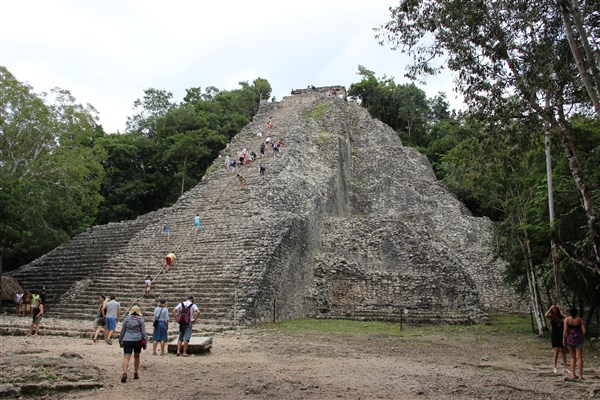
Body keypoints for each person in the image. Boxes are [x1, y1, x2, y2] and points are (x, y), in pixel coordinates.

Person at [118, 305, 148, 383]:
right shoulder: (141, 320)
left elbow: (122, 332)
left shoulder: (126, 320)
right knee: (137, 356)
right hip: (137, 340)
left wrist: (120, 341)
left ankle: (125, 373)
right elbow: (143, 332)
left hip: (127, 339)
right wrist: (145, 342)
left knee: (126, 357)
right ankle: (136, 373)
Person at [563, 307, 587, 380]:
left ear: (569, 312)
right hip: (578, 340)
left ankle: (573, 375)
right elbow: (584, 331)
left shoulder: (567, 319)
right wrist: (579, 335)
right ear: (577, 312)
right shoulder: (580, 320)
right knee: (579, 357)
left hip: (570, 339)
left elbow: (565, 330)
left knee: (572, 357)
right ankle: (580, 376)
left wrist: (564, 339)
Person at [545, 304, 567, 373]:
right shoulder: (552, 316)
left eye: (556, 309)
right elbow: (545, 315)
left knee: (563, 350)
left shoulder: (561, 316)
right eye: (553, 309)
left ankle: (565, 367)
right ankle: (555, 366)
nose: (555, 310)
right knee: (556, 350)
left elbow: (568, 316)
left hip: (561, 334)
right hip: (555, 334)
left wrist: (561, 310)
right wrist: (550, 308)